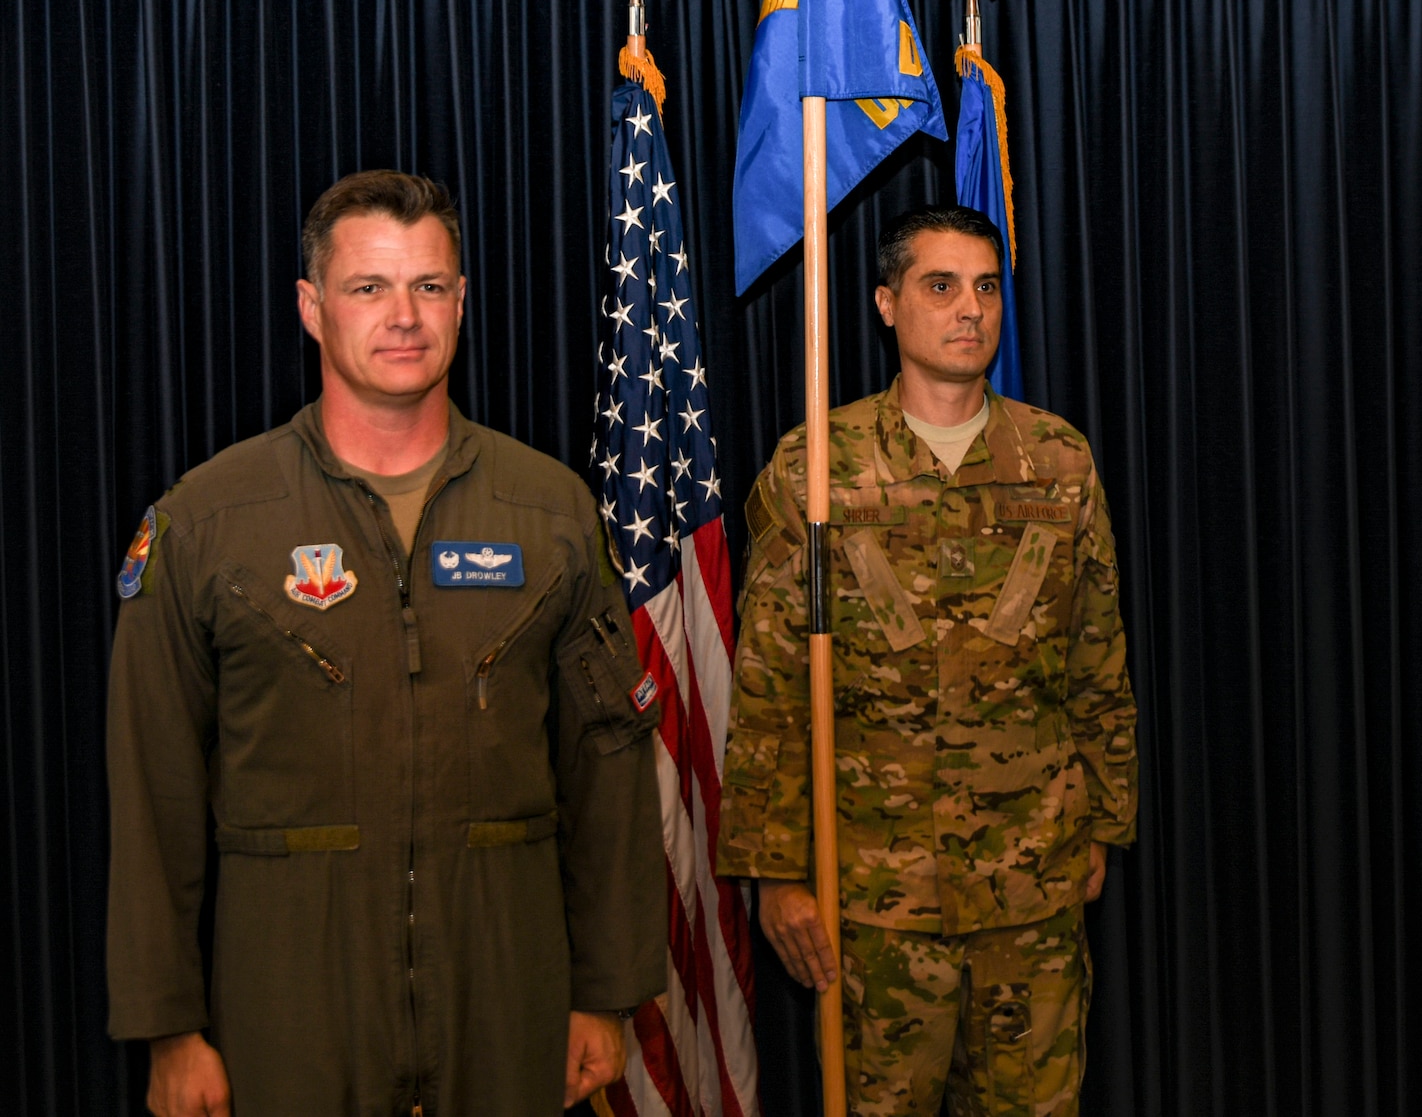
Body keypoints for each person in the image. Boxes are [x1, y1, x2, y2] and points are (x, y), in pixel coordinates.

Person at [106, 171, 668, 1117]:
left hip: (505, 993)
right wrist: (169, 1026)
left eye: (430, 286)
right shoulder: (209, 520)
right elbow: (149, 789)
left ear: (462, 302)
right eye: (369, 287)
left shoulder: (551, 512)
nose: (404, 316)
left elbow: (606, 772)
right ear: (312, 306)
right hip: (287, 1005)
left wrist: (604, 993)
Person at [716, 205, 1139, 1115]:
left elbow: (1098, 659)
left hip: (1032, 891)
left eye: (986, 287)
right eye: (939, 286)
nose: (969, 310)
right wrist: (776, 874)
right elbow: (770, 690)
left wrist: (1103, 822)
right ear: (884, 303)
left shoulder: (1057, 461)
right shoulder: (818, 470)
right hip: (874, 904)